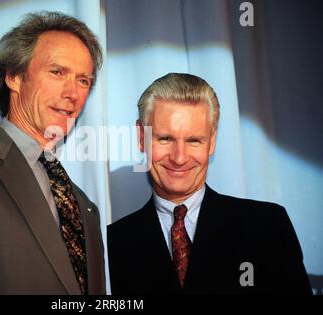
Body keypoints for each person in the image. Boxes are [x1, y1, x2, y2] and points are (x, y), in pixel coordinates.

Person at [0, 11, 105, 295]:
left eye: (83, 80)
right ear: (14, 77)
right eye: (57, 72)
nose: (73, 93)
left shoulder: (84, 205)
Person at [107, 73, 312, 295]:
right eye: (165, 139)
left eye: (194, 140)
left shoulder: (267, 227)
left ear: (212, 141)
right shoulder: (111, 245)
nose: (179, 158)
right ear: (141, 137)